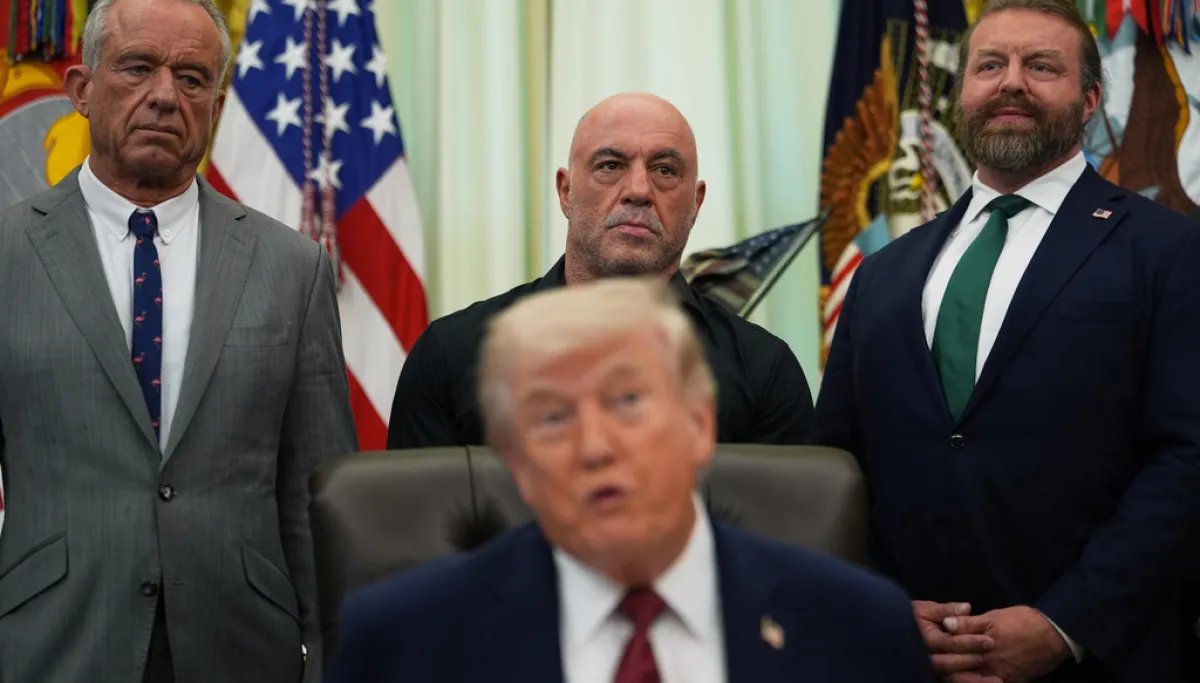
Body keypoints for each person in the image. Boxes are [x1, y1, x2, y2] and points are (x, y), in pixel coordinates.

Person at [813, 1, 1200, 682]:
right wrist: (882, 607)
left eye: (1041, 66)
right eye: (989, 66)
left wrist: (1065, 624)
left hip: (1098, 657)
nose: (1011, 82)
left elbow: (1187, 458)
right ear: (961, 94)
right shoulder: (882, 273)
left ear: (1089, 100)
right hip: (907, 657)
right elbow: (835, 467)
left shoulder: (1169, 250)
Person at [331, 277, 934, 683]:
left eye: (627, 401)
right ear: (516, 463)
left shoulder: (859, 629)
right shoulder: (402, 642)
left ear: (699, 424)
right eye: (552, 417)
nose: (595, 447)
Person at [0, 0, 357, 681]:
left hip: (241, 648)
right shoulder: (8, 253)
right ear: (81, 89)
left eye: (192, 79)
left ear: (216, 108)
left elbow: (319, 497)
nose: (165, 95)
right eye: (138, 68)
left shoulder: (292, 268)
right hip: (54, 644)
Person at [387, 93, 812, 449]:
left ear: (696, 203)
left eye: (665, 171)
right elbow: (417, 522)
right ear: (565, 191)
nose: (639, 191)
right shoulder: (452, 354)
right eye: (610, 165)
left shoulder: (765, 372)